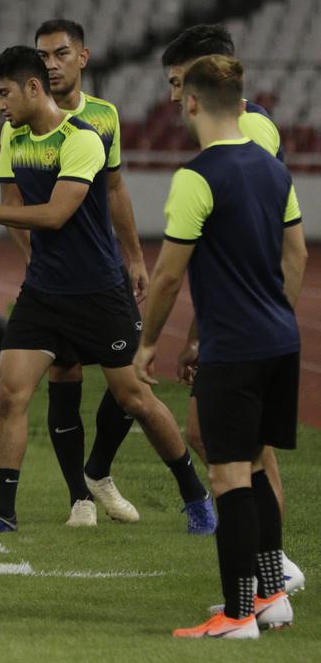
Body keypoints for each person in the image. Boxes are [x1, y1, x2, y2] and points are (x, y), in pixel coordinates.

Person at [0, 47, 212, 533]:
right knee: (10, 393)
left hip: (98, 292)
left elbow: (55, 213)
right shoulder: (13, 136)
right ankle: (2, 509)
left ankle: (196, 496)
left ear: (33, 88)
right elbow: (17, 205)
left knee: (135, 398)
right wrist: (35, 259)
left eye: (4, 94)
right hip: (43, 293)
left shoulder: (83, 138)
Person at [133, 55, 306, 638]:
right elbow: (297, 255)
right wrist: (271, 315)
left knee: (229, 477)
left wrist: (148, 344)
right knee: (254, 468)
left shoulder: (197, 177)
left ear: (192, 103)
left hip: (234, 348)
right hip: (280, 341)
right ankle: (271, 597)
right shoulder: (274, 170)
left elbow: (166, 276)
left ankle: (236, 615)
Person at [31, 19, 145, 527]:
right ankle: (79, 496)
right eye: (42, 56)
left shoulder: (104, 116)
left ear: (83, 57)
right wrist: (35, 263)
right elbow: (16, 203)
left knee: (128, 379)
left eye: (60, 53)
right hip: (53, 282)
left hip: (102, 274)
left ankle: (98, 470)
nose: (51, 64)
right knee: (63, 373)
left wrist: (135, 256)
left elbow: (115, 190)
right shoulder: (22, 123)